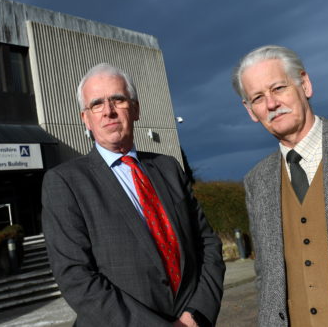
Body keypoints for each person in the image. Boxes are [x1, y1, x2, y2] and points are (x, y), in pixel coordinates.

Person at [42, 63, 225, 327]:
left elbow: (207, 243)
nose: (109, 111)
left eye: (118, 99)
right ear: (86, 118)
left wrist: (196, 313)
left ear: (136, 109)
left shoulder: (168, 167)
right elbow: (76, 277)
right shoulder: (65, 182)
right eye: (97, 104)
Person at [232, 45, 328, 326]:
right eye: (258, 98)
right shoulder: (257, 180)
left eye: (278, 88)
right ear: (250, 110)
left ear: (305, 84)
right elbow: (266, 274)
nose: (272, 104)